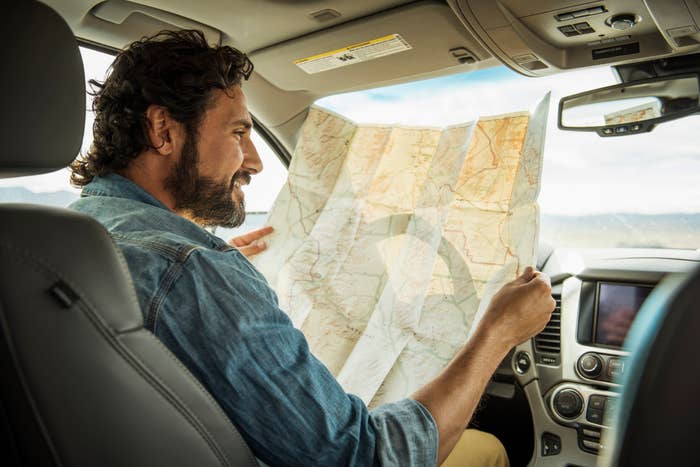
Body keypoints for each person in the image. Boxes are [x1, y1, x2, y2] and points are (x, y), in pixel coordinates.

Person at [69, 30, 555, 466]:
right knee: (486, 448)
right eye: (239, 132)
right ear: (163, 131)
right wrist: (496, 333)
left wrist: (208, 268)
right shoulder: (194, 272)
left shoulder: (68, 235)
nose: (255, 162)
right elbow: (361, 456)